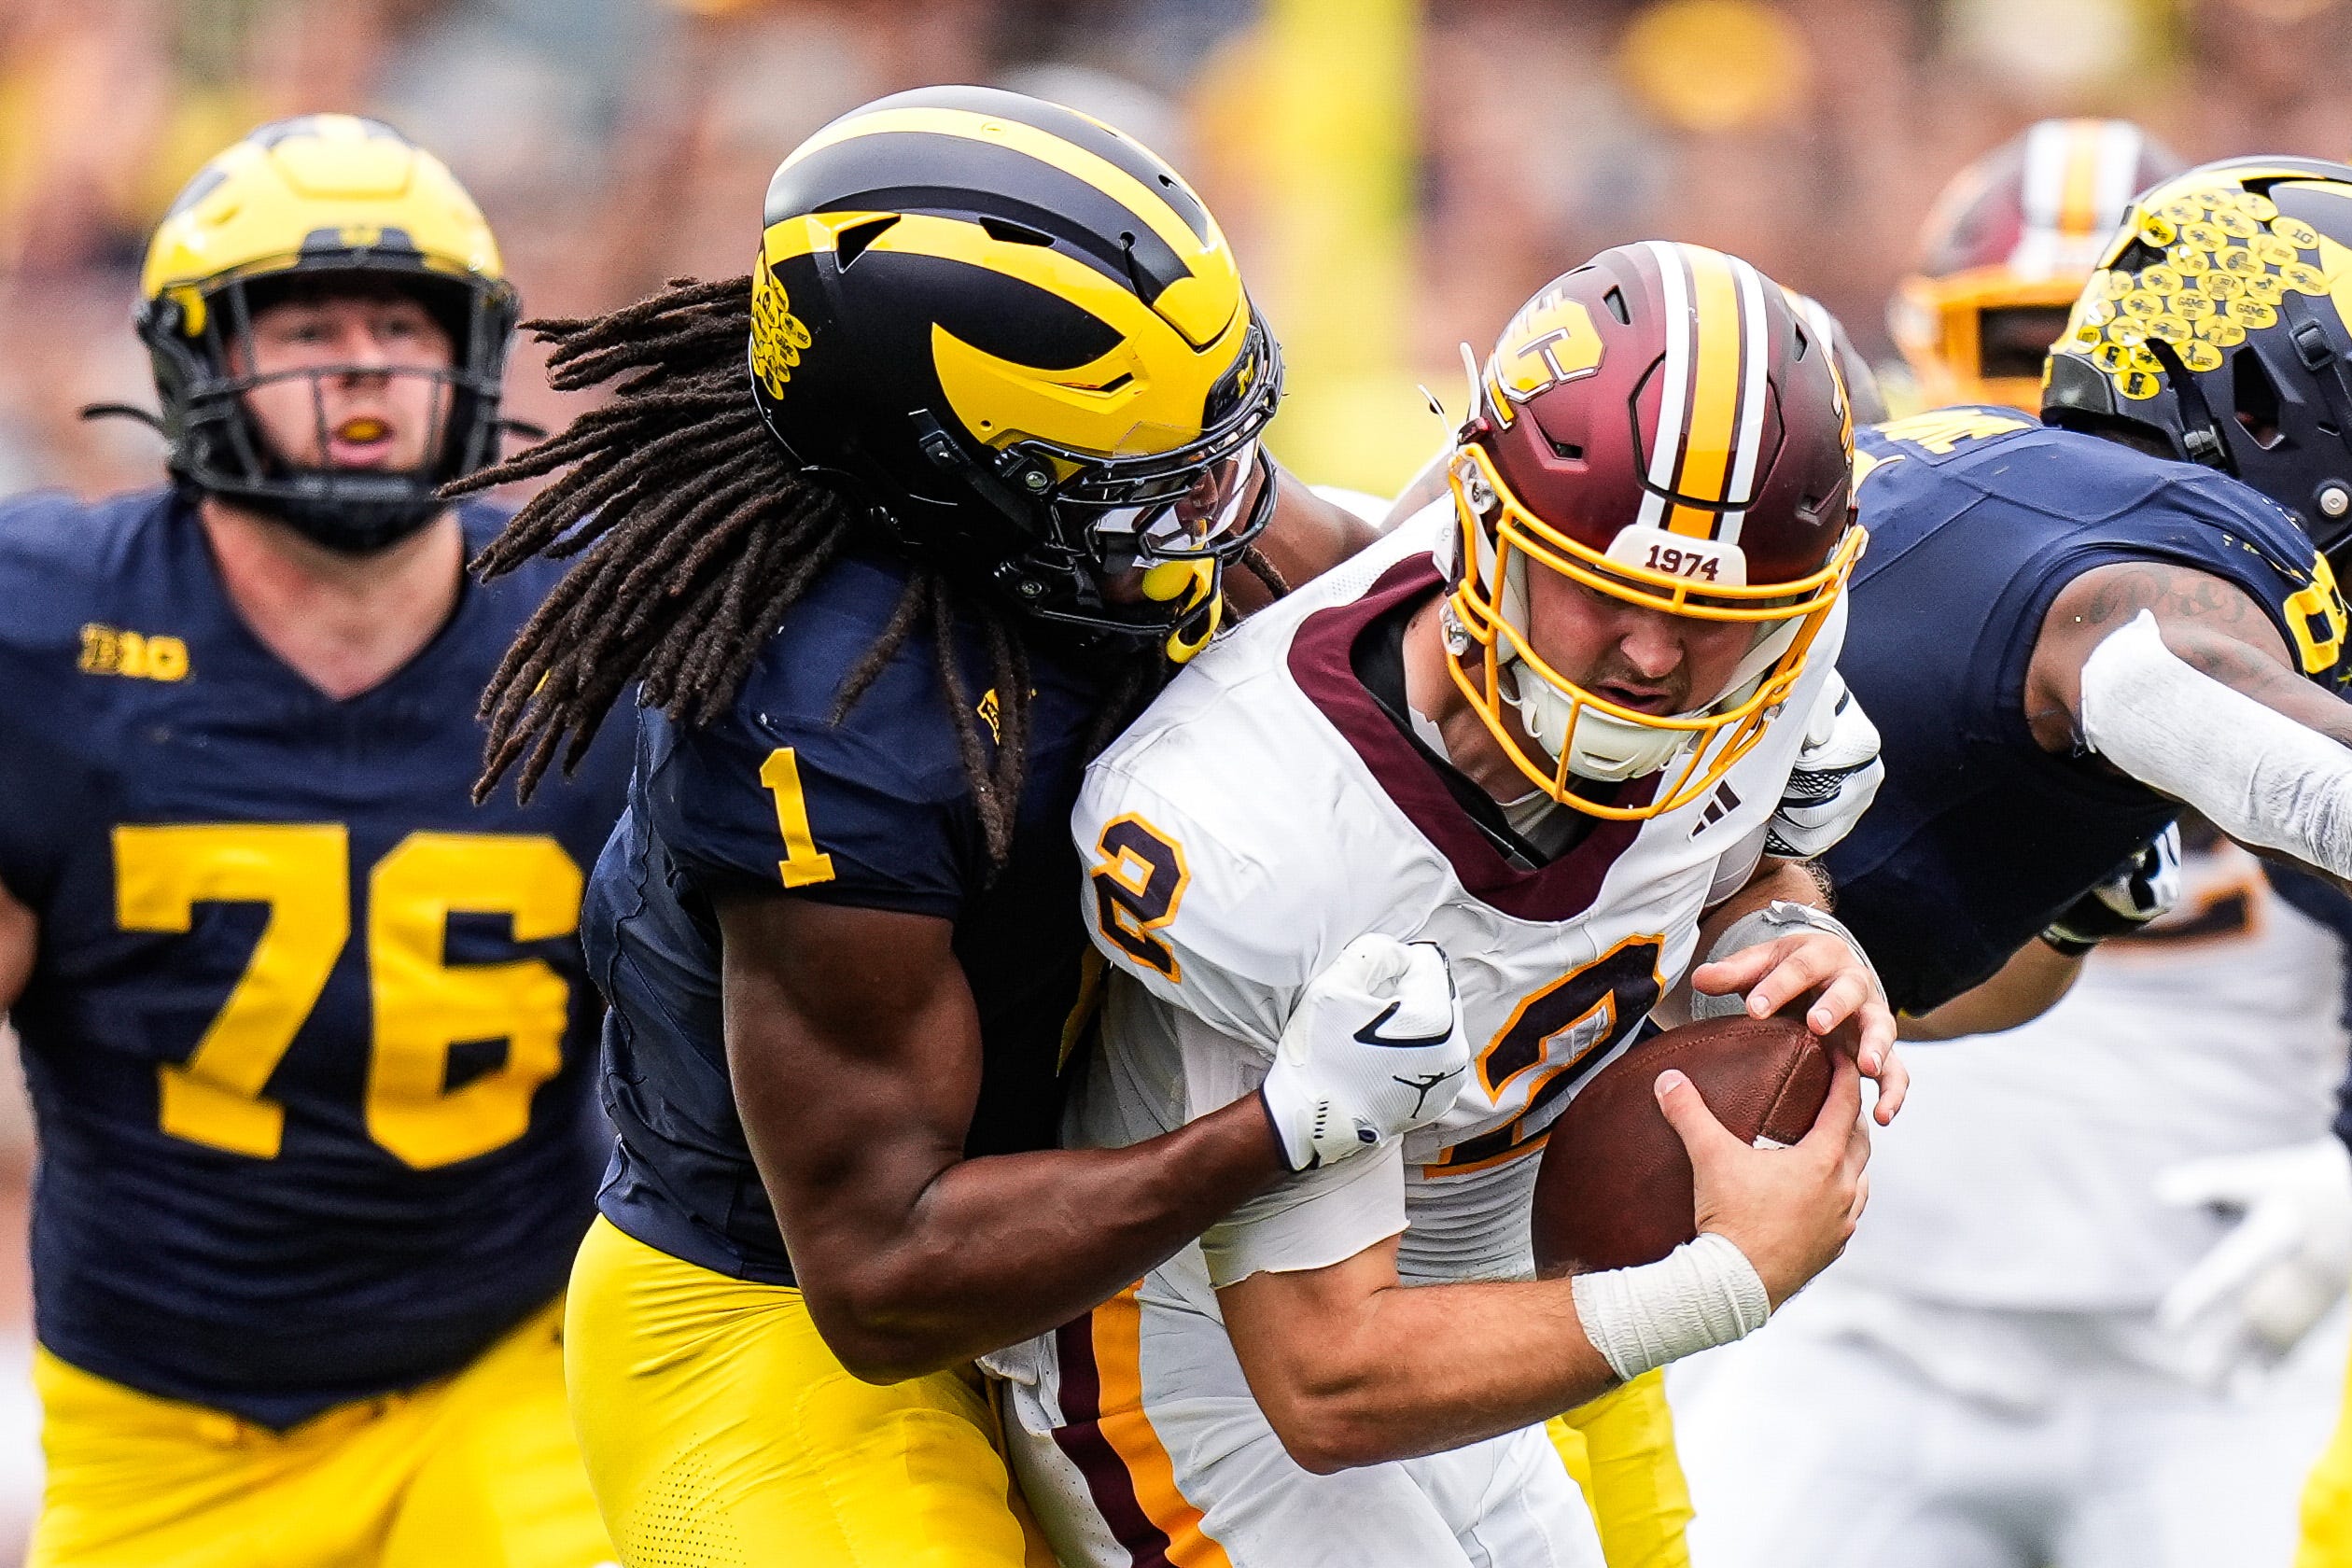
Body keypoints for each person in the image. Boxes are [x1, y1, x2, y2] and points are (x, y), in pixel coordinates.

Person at [452, 86, 1399, 1568]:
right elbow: (884, 1272)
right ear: (949, 485)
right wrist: (1275, 1132)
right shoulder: (821, 726)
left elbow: (1406, 594)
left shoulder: (1103, 501)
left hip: (1104, 1256)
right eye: (1141, 486)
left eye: (1214, 444)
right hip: (793, 1330)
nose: (1222, 507)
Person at [988, 242, 1904, 1568]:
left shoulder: (1778, 642)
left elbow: (1729, 869)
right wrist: (1721, 1285)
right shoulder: (1256, 822)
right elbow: (1327, 1380)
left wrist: (1791, 928)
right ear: (1482, 524)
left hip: (1466, 1299)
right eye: (1606, 590)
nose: (1654, 658)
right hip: (1204, 1358)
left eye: (1716, 619)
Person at [0, 115, 628, 1567]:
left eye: (401, 325)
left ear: (471, 358)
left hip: (511, 1362)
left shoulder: (602, 626)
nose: (360, 363)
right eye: (306, 326)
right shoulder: (48, 636)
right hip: (165, 1422)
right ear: (197, 367)